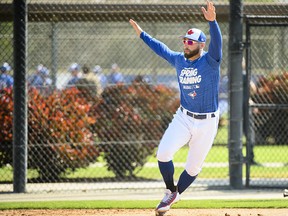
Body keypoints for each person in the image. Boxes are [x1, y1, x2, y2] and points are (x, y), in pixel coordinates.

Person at [129, 1, 222, 215]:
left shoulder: (211, 61)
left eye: (191, 41)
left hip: (207, 122)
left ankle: (175, 195)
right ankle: (170, 191)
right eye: (185, 40)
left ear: (201, 45)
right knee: (163, 154)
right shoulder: (179, 60)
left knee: (193, 168)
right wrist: (142, 34)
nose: (186, 44)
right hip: (184, 117)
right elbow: (161, 48)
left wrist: (212, 22)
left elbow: (218, 43)